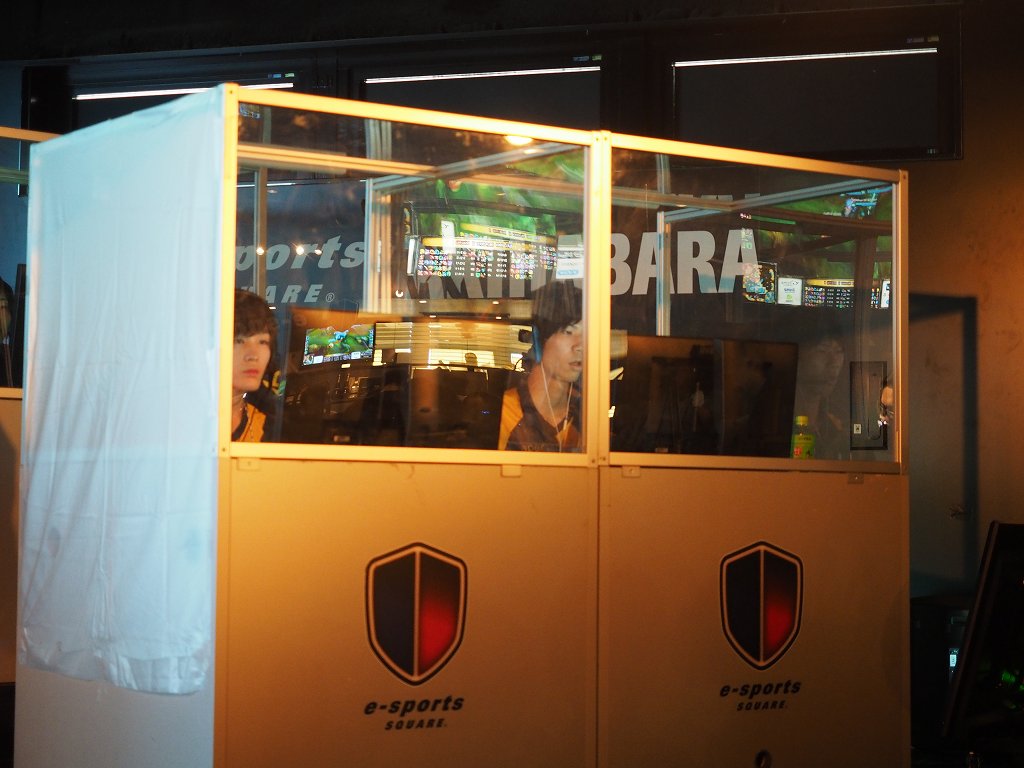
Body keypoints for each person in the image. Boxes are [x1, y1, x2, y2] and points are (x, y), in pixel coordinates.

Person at [498, 280, 583, 452]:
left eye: (586, 334)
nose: (580, 346)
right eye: (568, 332)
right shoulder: (504, 412)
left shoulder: (587, 415)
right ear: (538, 340)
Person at [232, 288, 278, 442]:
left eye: (262, 342)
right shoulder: (178, 417)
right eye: (239, 341)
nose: (253, 355)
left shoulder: (269, 422)